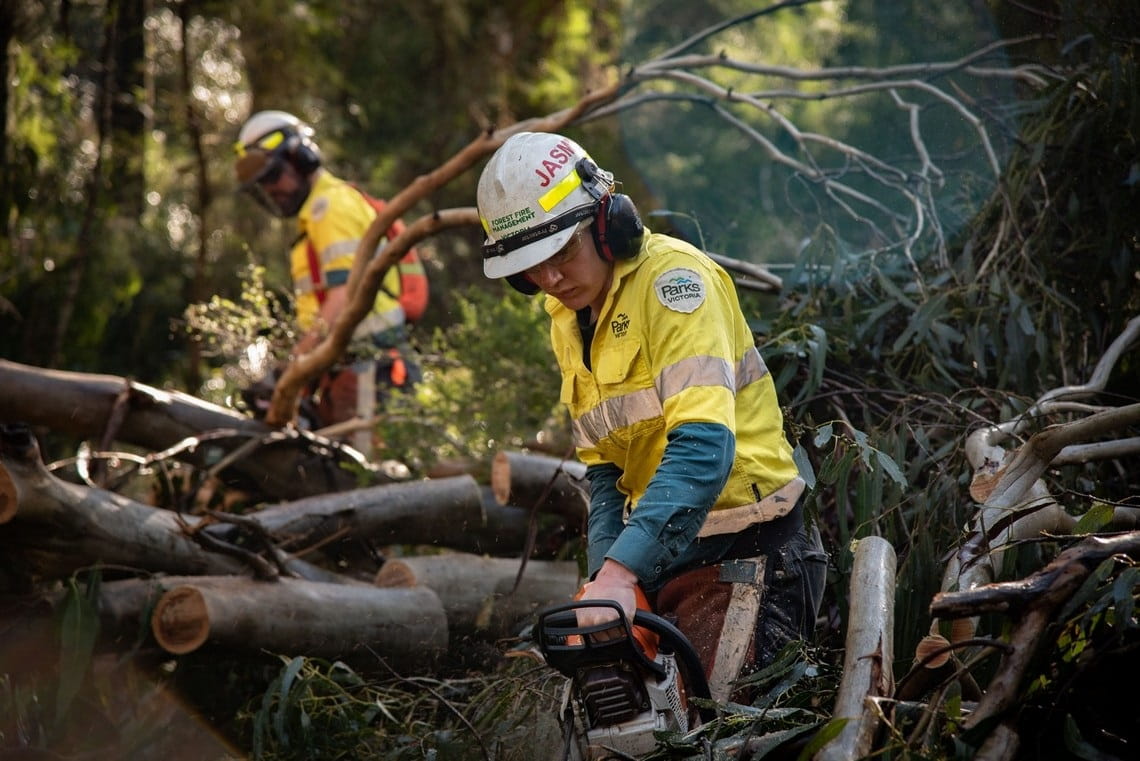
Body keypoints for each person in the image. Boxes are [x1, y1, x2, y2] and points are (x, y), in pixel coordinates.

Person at [476, 131, 827, 701]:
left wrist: (623, 572)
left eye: (562, 253)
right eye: (532, 268)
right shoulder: (566, 319)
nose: (552, 279)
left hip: (746, 551)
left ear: (606, 222)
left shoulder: (673, 285)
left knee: (722, 735)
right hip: (665, 555)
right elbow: (604, 473)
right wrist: (606, 579)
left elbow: (704, 448)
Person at [232, 110, 426, 451]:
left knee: (367, 477)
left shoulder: (330, 209)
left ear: (302, 159)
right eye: (264, 183)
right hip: (348, 368)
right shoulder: (315, 216)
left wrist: (293, 367)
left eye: (274, 175)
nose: (272, 189)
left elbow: (344, 297)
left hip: (370, 366)